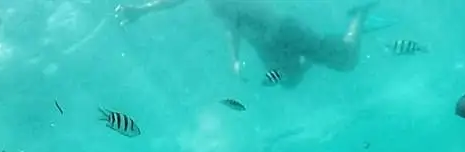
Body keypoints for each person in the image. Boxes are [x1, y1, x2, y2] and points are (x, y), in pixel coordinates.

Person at [114, 0, 377, 88]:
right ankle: (314, 55)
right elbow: (231, 27)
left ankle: (358, 15)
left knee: (348, 61)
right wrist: (235, 58)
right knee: (289, 81)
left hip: (286, 30)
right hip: (264, 44)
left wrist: (142, 9)